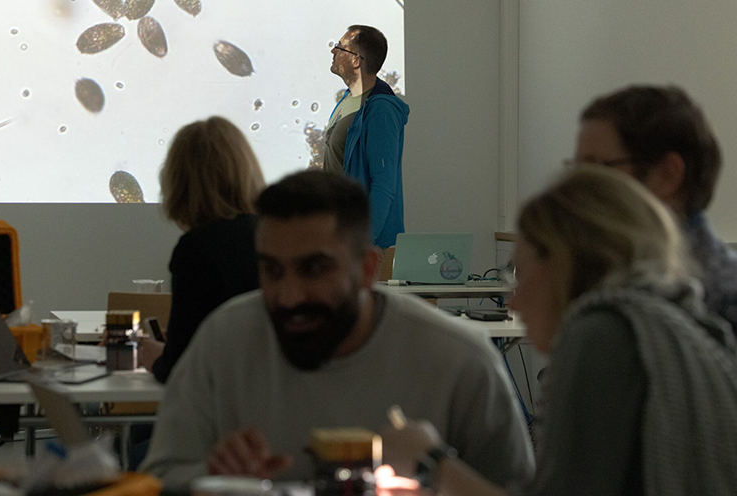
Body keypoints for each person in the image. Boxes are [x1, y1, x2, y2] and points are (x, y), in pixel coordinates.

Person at [140, 171, 533, 488]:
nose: (289, 296)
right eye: (272, 270)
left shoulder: (459, 363)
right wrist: (216, 480)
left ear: (366, 269)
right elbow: (159, 479)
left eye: (315, 269)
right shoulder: (223, 341)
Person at [383, 166, 737, 495]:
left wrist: (431, 461)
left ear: (560, 264)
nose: (513, 302)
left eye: (519, 273)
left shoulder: (600, 338)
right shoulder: (682, 325)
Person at [575, 84, 737, 334]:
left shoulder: (723, 301)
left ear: (667, 175)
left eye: (596, 168)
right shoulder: (608, 276)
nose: (578, 187)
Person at [137, 116, 265, 384]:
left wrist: (153, 357)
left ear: (178, 183)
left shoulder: (196, 250)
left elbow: (180, 369)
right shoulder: (276, 236)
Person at [325, 25, 409, 249]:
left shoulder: (381, 109)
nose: (333, 51)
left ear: (356, 60)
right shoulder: (347, 99)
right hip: (339, 235)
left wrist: (361, 246)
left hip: (362, 246)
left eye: (340, 47)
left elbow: (383, 185)